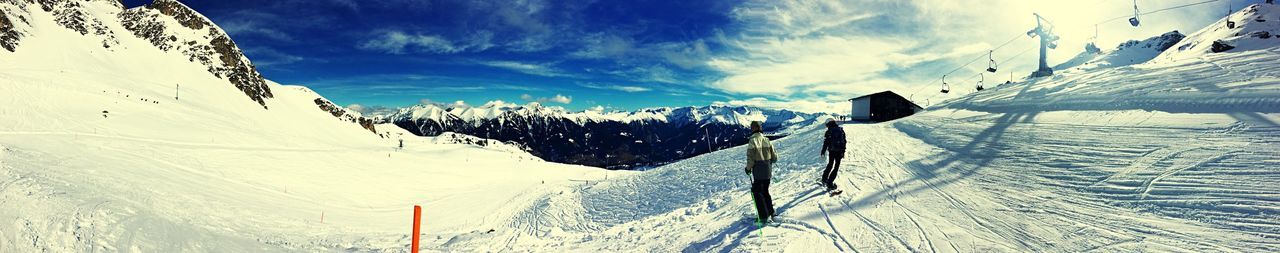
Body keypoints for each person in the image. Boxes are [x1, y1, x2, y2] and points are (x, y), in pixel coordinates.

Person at [745, 121, 778, 225]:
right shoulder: (767, 140)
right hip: (767, 170)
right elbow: (775, 157)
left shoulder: (752, 141)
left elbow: (750, 158)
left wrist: (748, 168)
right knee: (765, 191)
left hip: (758, 171)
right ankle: (771, 212)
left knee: (757, 193)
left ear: (753, 129)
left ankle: (763, 217)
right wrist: (767, 162)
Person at [819, 119, 846, 192]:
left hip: (832, 151)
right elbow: (844, 142)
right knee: (836, 167)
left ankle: (824, 179)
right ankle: (830, 183)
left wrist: (823, 151)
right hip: (839, 151)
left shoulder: (828, 132)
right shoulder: (841, 130)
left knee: (830, 164)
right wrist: (843, 151)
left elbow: (826, 142)